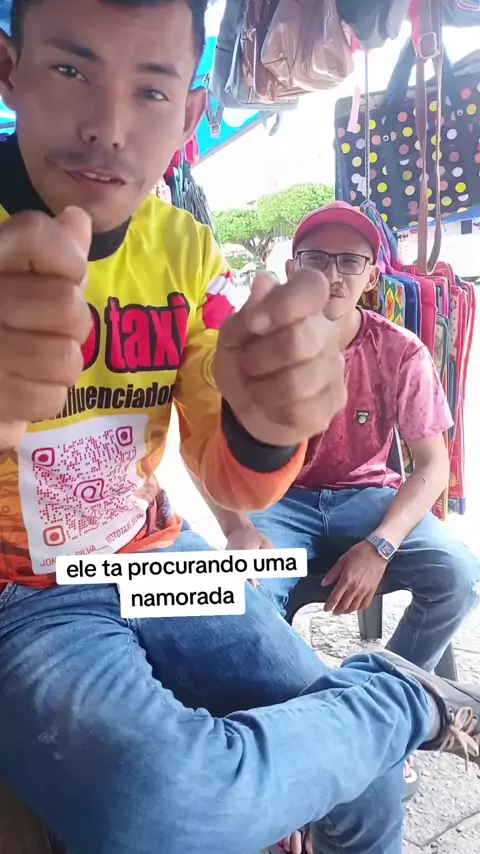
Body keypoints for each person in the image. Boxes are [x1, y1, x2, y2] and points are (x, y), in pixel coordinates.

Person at [0, 4, 479, 854]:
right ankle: (404, 697)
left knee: (365, 784)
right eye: (71, 70)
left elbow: (224, 470)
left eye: (151, 91)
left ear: (189, 114)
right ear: (10, 71)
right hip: (22, 594)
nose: (109, 126)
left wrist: (265, 427)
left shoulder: (186, 248)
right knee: (165, 809)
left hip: (156, 558)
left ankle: (369, 721)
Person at [246, 201, 480, 673]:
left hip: (367, 496)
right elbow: (221, 453)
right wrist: (239, 526)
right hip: (280, 503)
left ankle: (385, 689)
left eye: (350, 261)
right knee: (245, 597)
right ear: (292, 271)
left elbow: (433, 464)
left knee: (460, 576)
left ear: (372, 276)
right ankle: (298, 693)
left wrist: (380, 545)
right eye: (316, 259)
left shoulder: (400, 351)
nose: (333, 275)